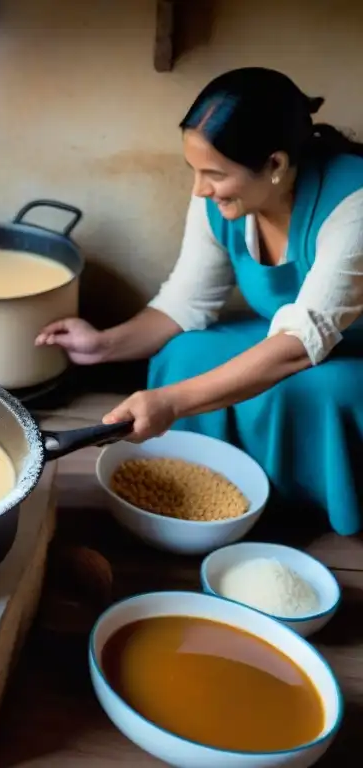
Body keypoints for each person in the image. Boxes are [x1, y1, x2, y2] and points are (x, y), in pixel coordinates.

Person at [35, 67, 363, 536]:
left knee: (310, 388)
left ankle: (300, 512)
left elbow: (297, 345)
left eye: (214, 175)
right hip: (292, 339)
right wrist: (104, 345)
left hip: (344, 353)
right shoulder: (219, 198)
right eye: (195, 170)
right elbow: (187, 302)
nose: (199, 189)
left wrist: (169, 404)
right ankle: (214, 498)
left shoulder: (354, 204)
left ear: (274, 165)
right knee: (183, 354)